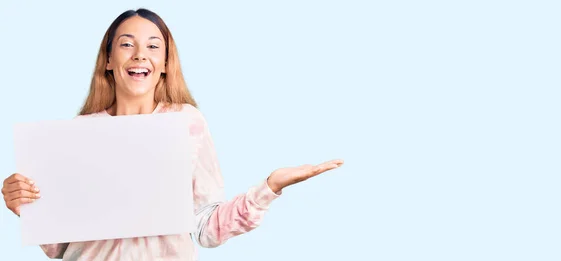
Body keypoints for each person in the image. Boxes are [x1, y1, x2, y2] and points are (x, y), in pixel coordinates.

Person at [1, 8, 343, 261]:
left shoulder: (187, 123)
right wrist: (25, 207)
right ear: (108, 59)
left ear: (165, 63)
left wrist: (269, 188)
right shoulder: (76, 133)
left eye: (153, 46)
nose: (139, 55)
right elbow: (60, 248)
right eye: (126, 45)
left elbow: (207, 230)